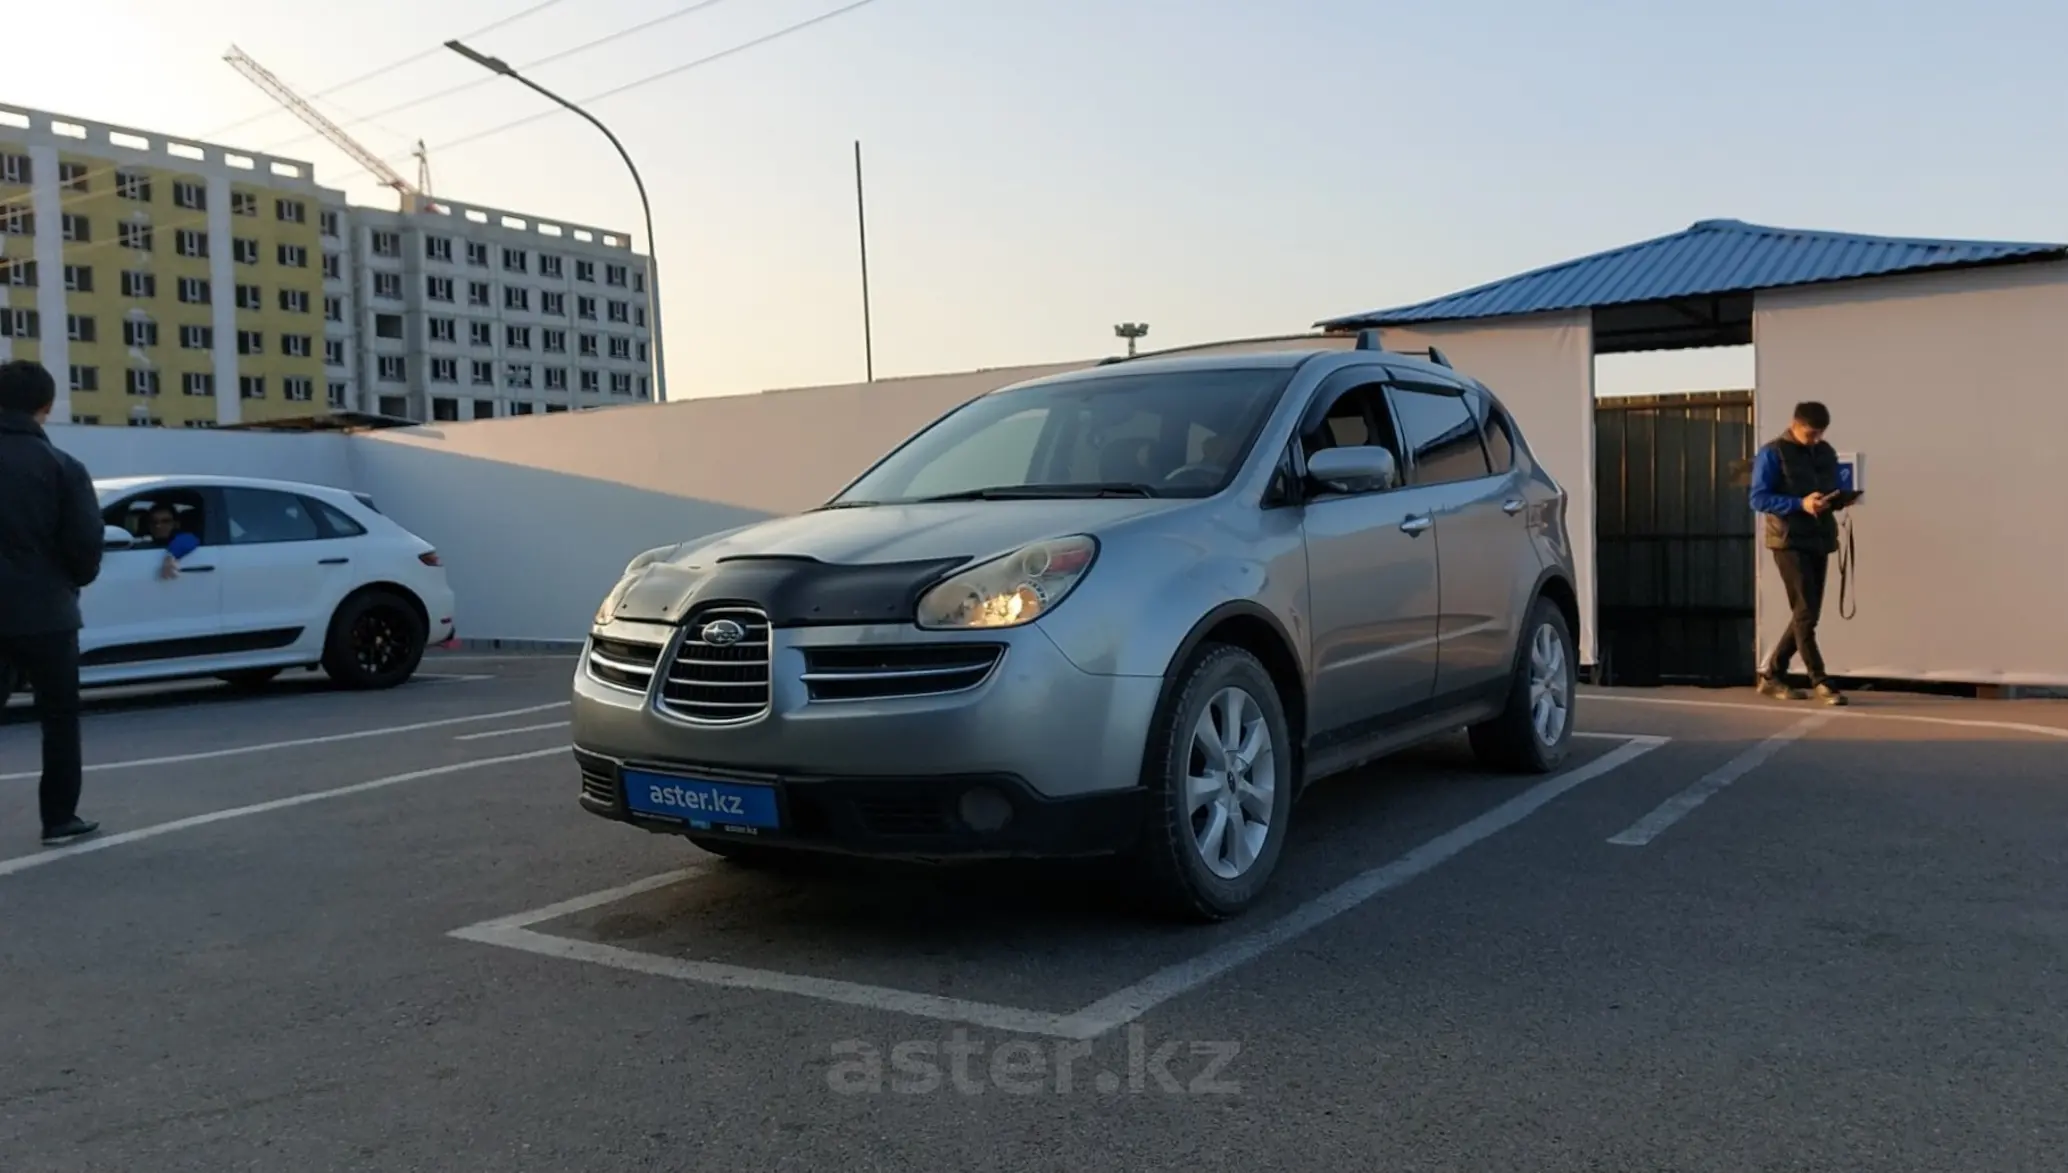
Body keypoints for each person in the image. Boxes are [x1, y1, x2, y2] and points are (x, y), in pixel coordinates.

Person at [0, 359, 105, 845]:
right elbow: (85, 543)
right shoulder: (62, 466)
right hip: (45, 610)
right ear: (46, 406)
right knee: (59, 717)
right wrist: (70, 581)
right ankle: (59, 818)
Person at [1749, 400, 1852, 707]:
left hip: (1819, 537)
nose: (1816, 439)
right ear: (1795, 425)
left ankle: (1772, 674)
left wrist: (1838, 499)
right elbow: (1758, 498)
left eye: (1820, 434)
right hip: (1788, 540)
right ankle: (1820, 680)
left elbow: (1830, 486)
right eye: (1811, 434)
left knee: (1807, 614)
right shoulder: (1773, 452)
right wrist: (1799, 504)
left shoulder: (1825, 452)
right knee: (1806, 612)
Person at [144, 503, 201, 579]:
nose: (158, 526)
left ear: (176, 524)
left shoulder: (181, 539)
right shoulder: (142, 543)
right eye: (154, 522)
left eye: (165, 521)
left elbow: (190, 539)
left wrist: (170, 556)